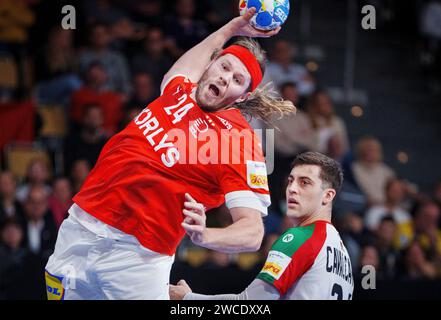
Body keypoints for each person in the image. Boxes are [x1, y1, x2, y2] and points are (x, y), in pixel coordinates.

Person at [45, 9, 294, 300]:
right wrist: (232, 28)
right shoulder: (179, 91)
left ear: (242, 97)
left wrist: (205, 235)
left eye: (238, 80)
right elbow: (181, 68)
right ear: (211, 63)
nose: (226, 78)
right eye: (224, 67)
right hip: (81, 226)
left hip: (138, 257)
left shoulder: (238, 140)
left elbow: (252, 233)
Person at [170, 152, 354, 300]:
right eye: (291, 181)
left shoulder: (300, 237)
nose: (292, 188)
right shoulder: (342, 253)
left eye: (304, 182)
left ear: (328, 196)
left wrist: (187, 298)